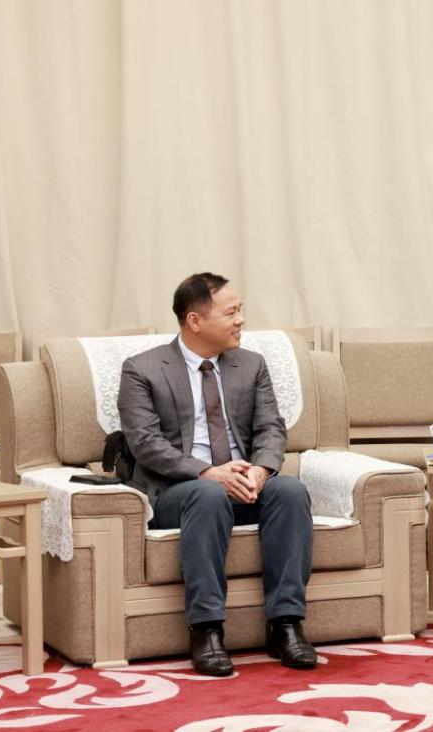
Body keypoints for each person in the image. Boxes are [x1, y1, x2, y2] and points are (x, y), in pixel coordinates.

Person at [118, 272, 317, 676]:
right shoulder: (143, 369)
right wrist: (208, 472)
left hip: (245, 484)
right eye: (231, 312)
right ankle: (206, 629)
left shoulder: (251, 364)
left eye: (240, 310)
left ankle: (286, 625)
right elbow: (145, 444)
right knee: (208, 494)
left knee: (291, 491)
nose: (241, 320)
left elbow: (271, 427)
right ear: (195, 320)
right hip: (178, 492)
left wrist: (261, 469)